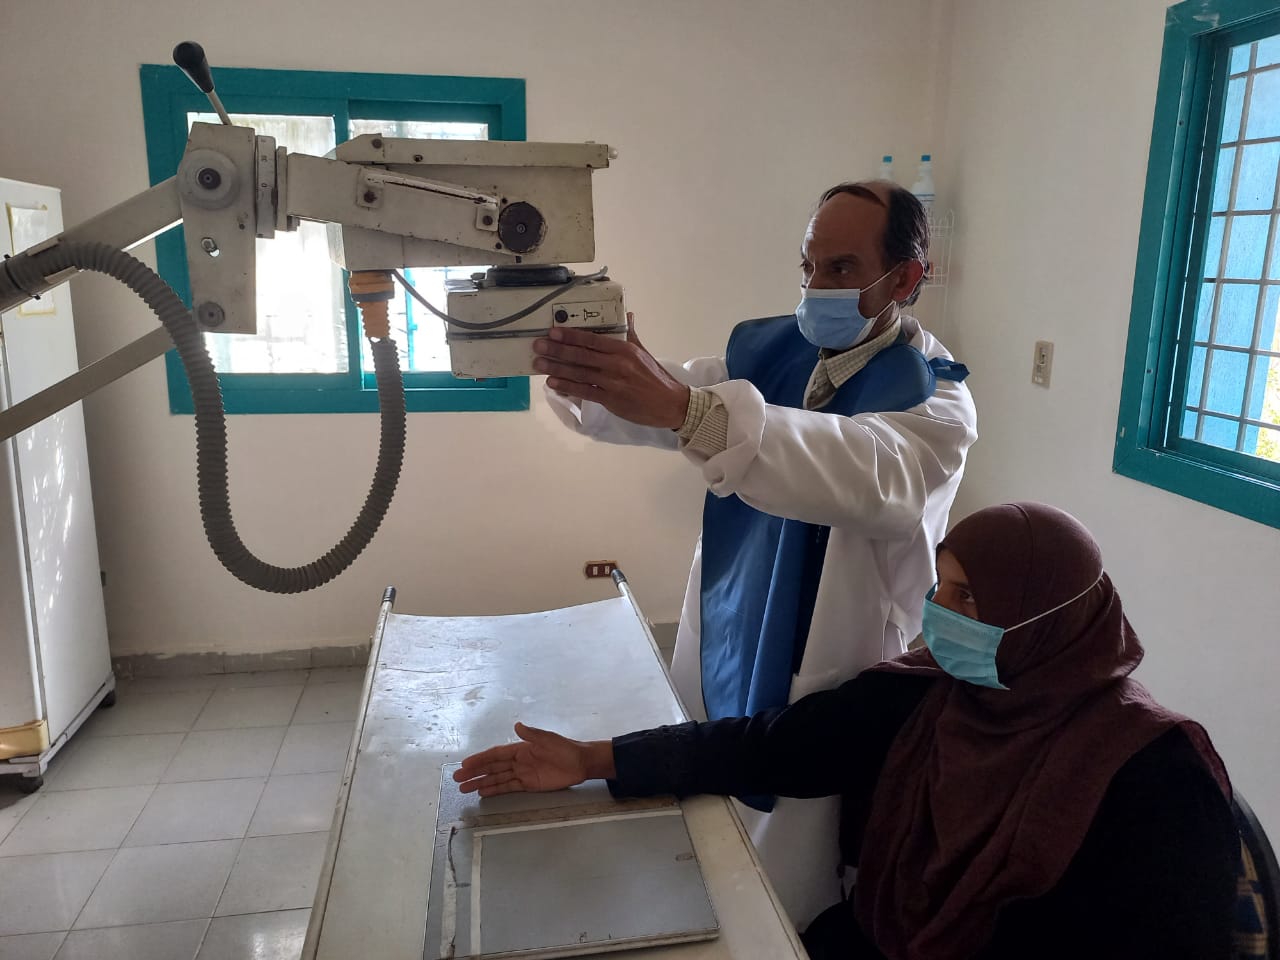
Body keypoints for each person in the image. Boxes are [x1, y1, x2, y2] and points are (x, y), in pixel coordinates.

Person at [455, 502, 1239, 960]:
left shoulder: (1152, 774)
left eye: (969, 600)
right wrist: (595, 759)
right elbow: (766, 746)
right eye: (941, 589)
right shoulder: (926, 698)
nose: (939, 616)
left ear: (1050, 620)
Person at [533, 180, 978, 923]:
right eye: (808, 266)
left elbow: (861, 471)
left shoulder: (934, 401)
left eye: (841, 268)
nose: (816, 288)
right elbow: (678, 401)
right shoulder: (776, 354)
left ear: (905, 279)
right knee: (703, 797)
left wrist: (688, 411)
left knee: (793, 863)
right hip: (733, 609)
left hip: (831, 649)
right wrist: (597, 374)